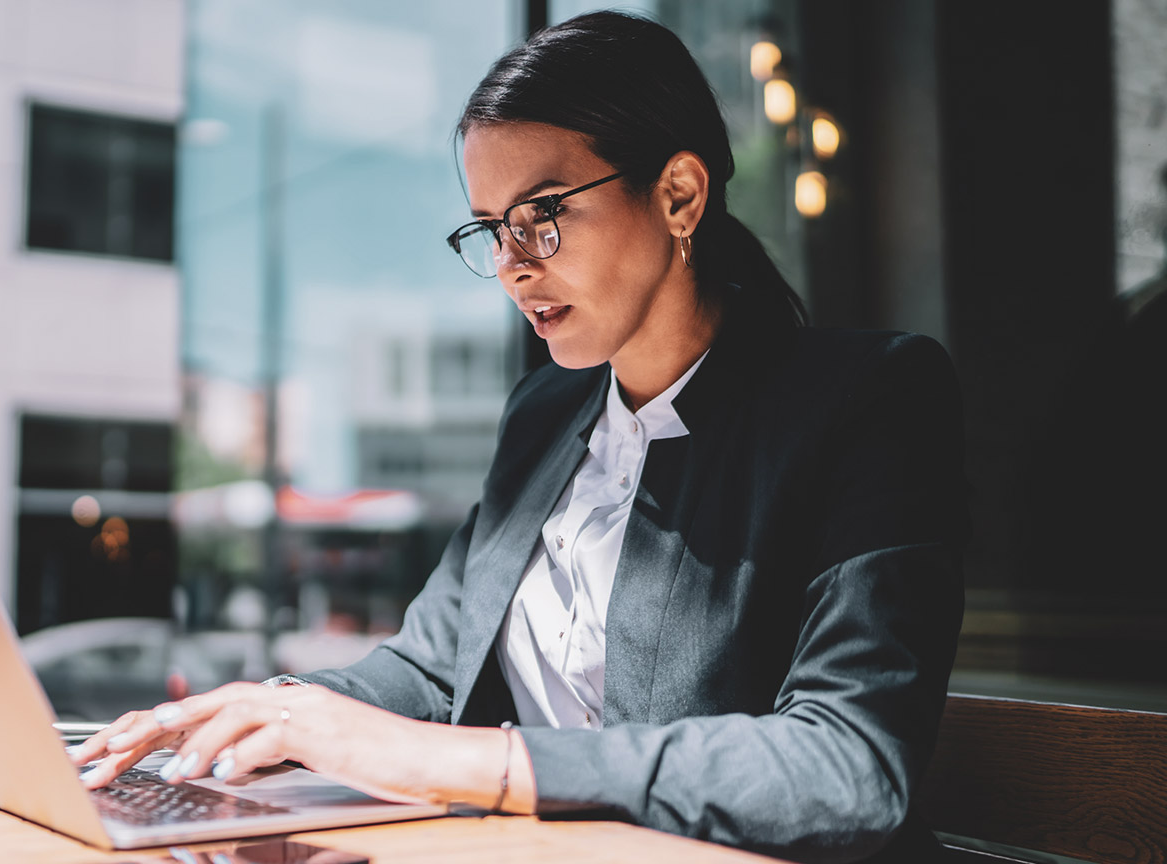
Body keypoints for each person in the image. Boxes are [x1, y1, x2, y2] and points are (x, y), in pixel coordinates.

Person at [71, 12, 967, 863]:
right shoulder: (545, 417)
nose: (511, 266)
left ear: (680, 196)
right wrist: (263, 713)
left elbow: (849, 766)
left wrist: (476, 764)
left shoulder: (868, 399)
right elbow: (428, 672)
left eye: (542, 214)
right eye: (492, 229)